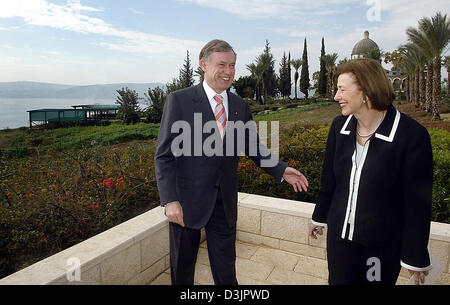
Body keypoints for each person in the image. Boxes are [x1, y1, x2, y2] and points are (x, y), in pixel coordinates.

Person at [155, 39, 309, 285]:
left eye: (233, 66)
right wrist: (170, 200)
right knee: (182, 269)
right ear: (204, 65)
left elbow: (252, 147)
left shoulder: (239, 105)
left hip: (224, 204)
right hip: (186, 203)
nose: (228, 72)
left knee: (226, 271)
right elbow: (164, 155)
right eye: (222, 65)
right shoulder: (179, 101)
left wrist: (281, 170)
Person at [309, 58, 433, 285]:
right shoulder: (339, 127)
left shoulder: (411, 136)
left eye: (342, 89)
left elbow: (418, 203)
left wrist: (415, 257)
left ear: (366, 91)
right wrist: (319, 217)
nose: (336, 96)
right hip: (340, 241)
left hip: (380, 249)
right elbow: (329, 180)